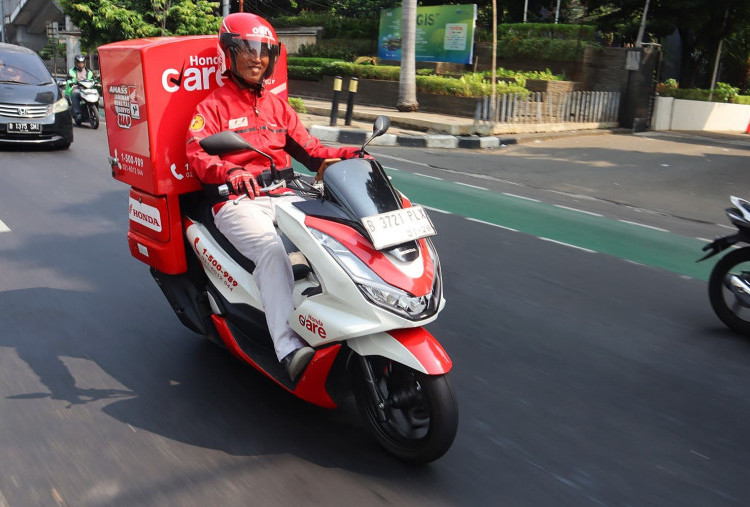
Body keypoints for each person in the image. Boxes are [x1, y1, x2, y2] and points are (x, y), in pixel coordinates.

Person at [185, 13, 363, 382]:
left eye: (264, 51)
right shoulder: (212, 108)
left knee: (337, 238)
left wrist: (351, 154)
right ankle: (288, 347)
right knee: (271, 250)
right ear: (229, 53)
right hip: (237, 202)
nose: (257, 58)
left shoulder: (277, 106)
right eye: (248, 50)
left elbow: (312, 150)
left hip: (285, 194)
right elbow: (198, 154)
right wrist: (230, 172)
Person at [66, 55, 93, 120]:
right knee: (75, 93)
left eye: (82, 63)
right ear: (76, 63)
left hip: (87, 89)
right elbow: (69, 79)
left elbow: (92, 79)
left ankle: (92, 110)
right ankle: (77, 113)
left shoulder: (88, 71)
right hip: (76, 88)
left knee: (95, 93)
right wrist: (71, 83)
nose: (81, 64)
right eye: (79, 63)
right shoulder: (71, 71)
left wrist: (96, 83)